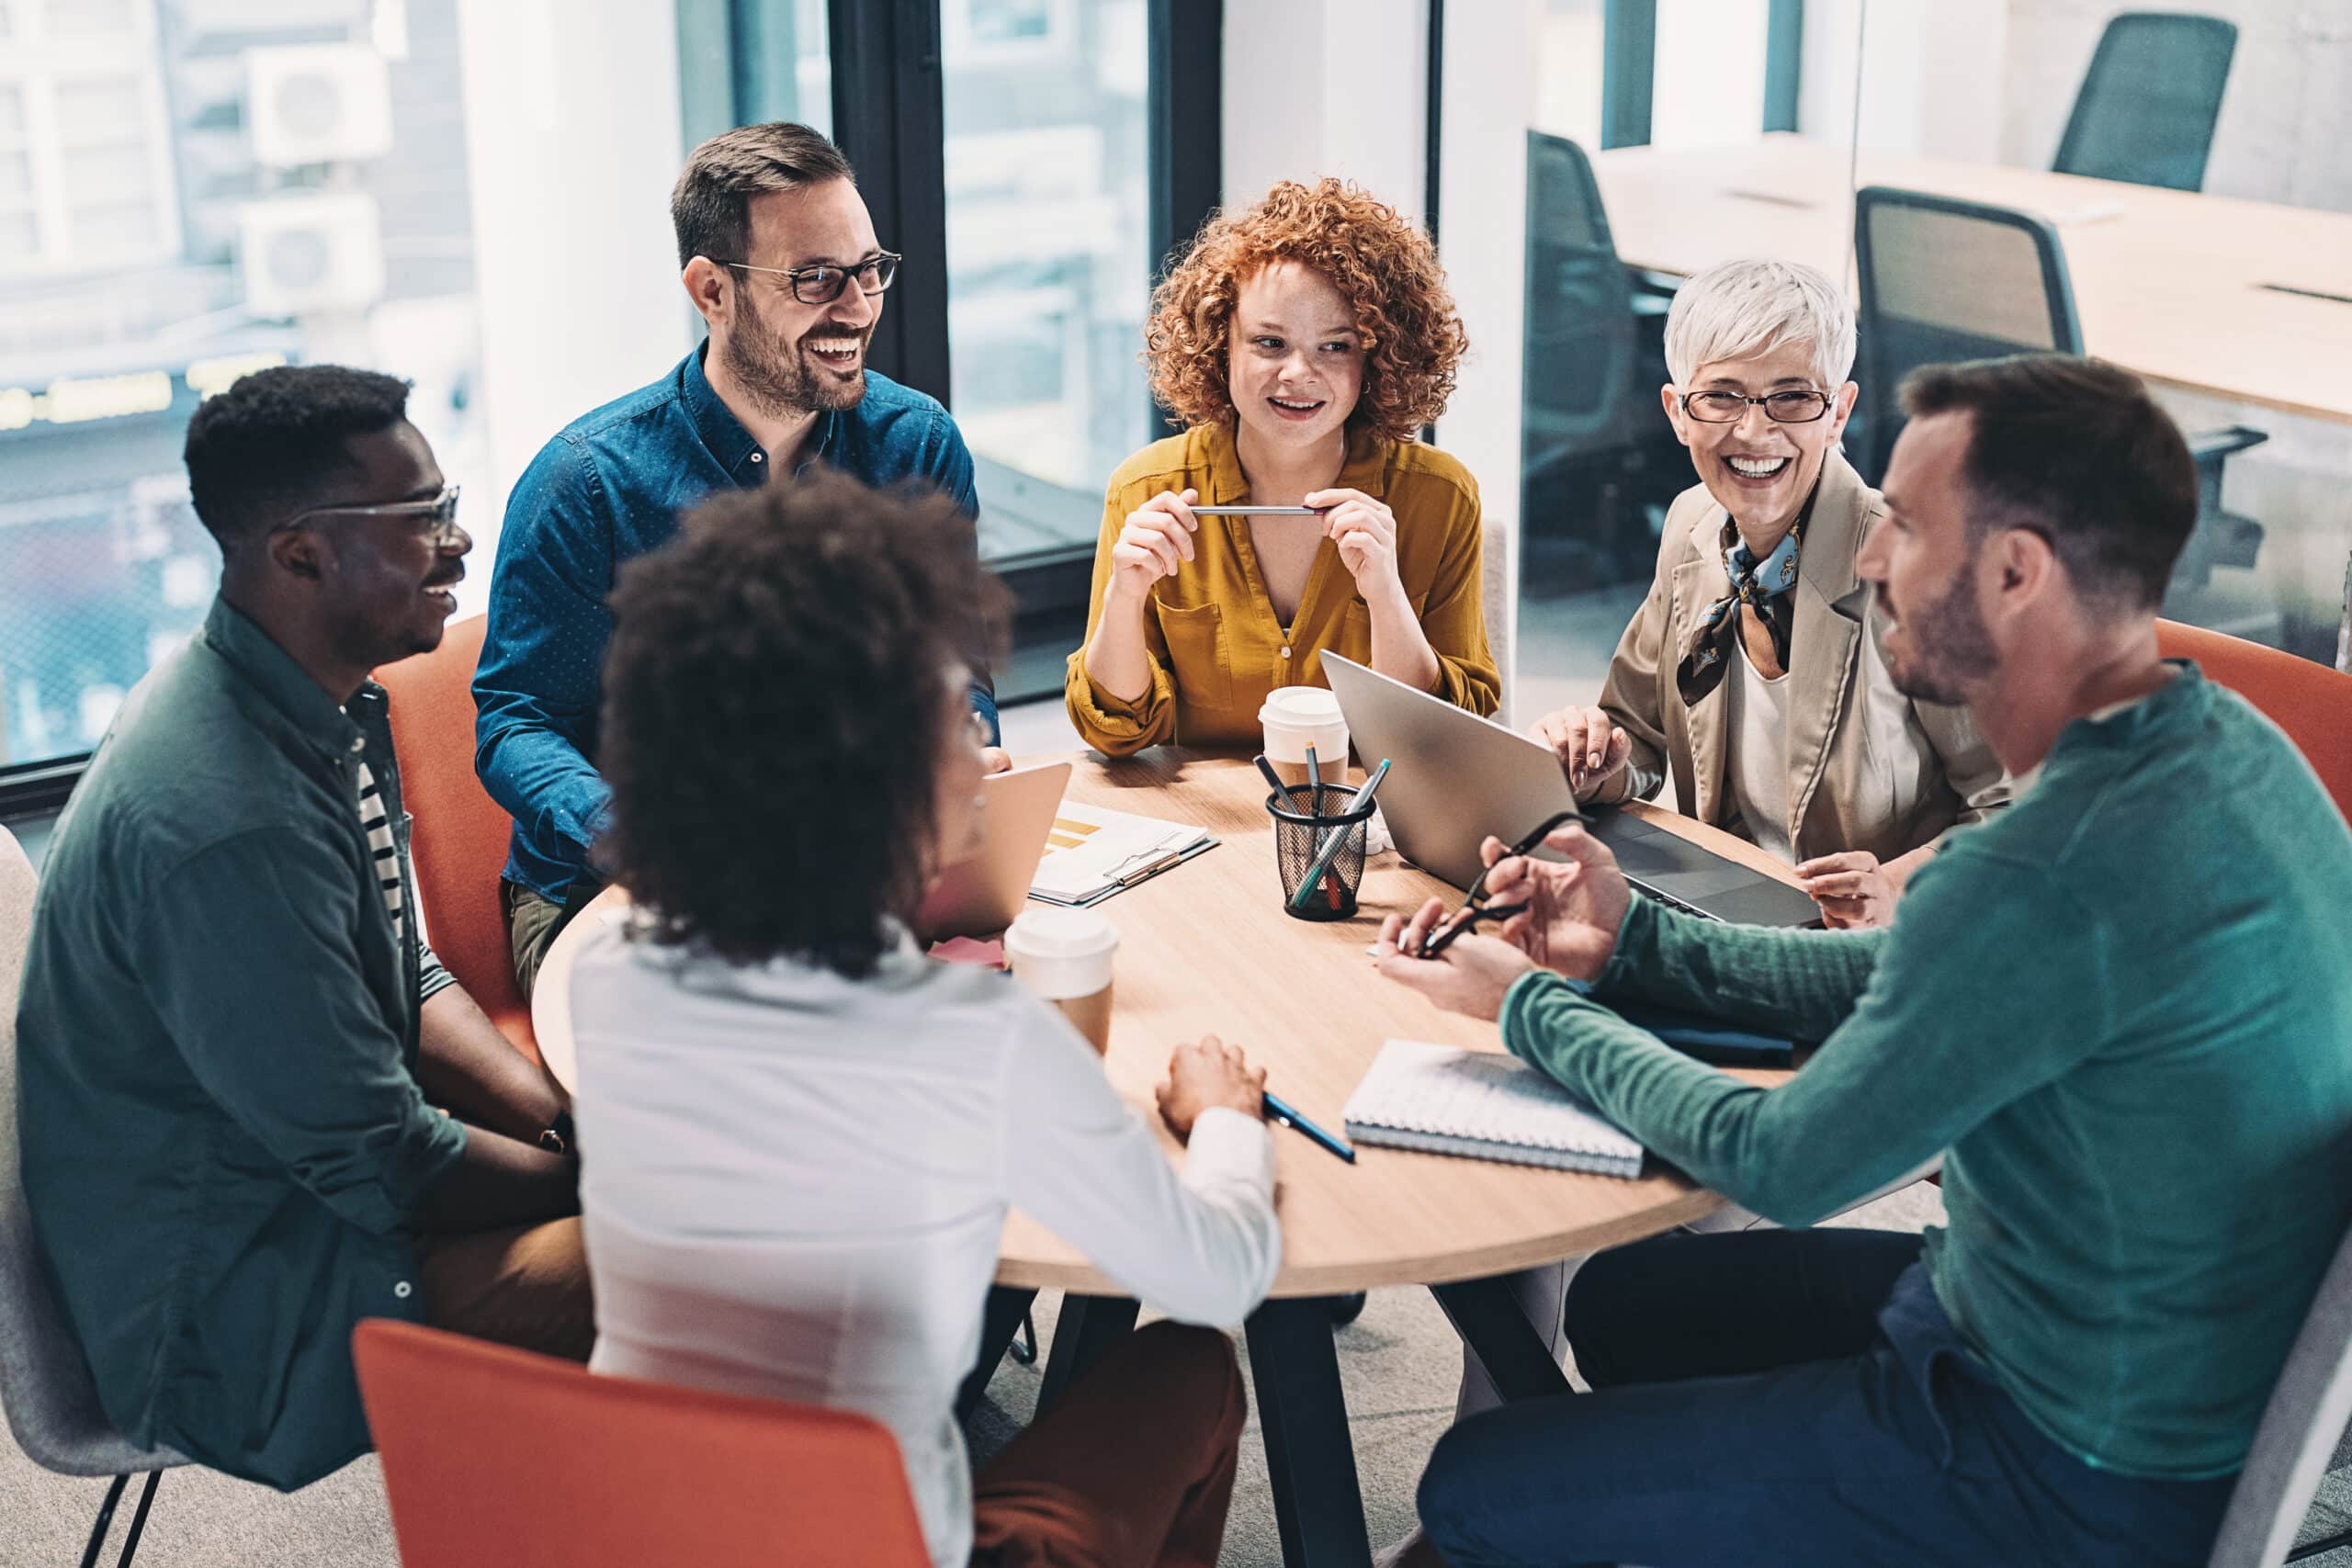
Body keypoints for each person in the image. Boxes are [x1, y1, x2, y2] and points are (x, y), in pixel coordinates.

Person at [1375, 355, 2352, 1567]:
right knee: (1627, 1303)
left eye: (1905, 520)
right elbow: (1908, 984)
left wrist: (1531, 1005)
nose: (1874, 555)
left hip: (2057, 1463)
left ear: (2015, 571)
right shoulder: (2225, 744)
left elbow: (1780, 1158)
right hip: (2079, 1333)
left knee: (1477, 1482)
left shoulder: (2044, 869)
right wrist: (1632, 939)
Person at [570, 471, 1283, 1568]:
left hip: (629, 1525)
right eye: (954, 718)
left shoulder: (611, 973)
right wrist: (1226, 1120)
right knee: (1188, 1365)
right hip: (869, 1543)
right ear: (879, 782)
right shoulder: (968, 1038)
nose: (982, 747)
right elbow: (1217, 1274)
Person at [16, 367, 593, 1491]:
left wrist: (559, 1117)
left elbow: (399, 965)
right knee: (734, 1256)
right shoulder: (226, 819)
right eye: (423, 518)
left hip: (298, 1200)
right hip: (234, 1315)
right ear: (298, 554)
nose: (462, 544)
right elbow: (384, 1161)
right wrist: (605, 1180)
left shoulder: (300, 693)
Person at [475, 120, 1005, 1000]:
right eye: (816, 279)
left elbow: (958, 668)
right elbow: (514, 720)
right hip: (614, 888)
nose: (860, 307)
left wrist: (965, 743)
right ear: (711, 290)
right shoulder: (586, 483)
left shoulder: (916, 444)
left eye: (870, 270)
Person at [1528, 258, 2007, 930]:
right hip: (1725, 916)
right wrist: (1587, 758)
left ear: (1838, 411)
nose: (1754, 432)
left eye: (1792, 397)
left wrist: (1901, 887)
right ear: (1678, 413)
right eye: (1722, 396)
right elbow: (1636, 736)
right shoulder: (1692, 526)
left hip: (1876, 953)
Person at [1067, 178, 1498, 754]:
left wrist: (1385, 593)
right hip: (1208, 828)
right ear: (1219, 345)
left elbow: (1444, 738)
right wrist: (1125, 595)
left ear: (1378, 356)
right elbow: (1115, 730)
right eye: (1269, 343)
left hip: (1367, 828)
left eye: (1336, 346)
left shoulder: (1440, 497)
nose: (1298, 373)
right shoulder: (1146, 489)